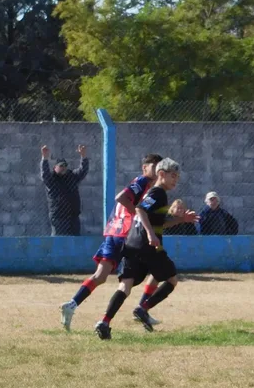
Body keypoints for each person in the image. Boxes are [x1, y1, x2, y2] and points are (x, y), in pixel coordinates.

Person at [94, 158, 198, 338]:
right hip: (147, 245)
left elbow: (157, 222)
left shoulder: (156, 194)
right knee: (172, 280)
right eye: (173, 176)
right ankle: (143, 309)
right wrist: (150, 234)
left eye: (177, 177)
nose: (175, 180)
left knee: (124, 286)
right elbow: (141, 210)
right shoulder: (158, 192)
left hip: (132, 244)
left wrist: (181, 220)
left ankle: (104, 322)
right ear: (161, 174)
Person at [58, 153, 163, 332]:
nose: (158, 169)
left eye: (159, 166)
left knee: (100, 276)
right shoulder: (142, 182)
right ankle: (141, 310)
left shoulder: (146, 185)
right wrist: (137, 213)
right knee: (156, 269)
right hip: (126, 236)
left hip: (113, 233)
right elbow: (121, 197)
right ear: (144, 167)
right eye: (154, 166)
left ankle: (72, 304)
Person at [41, 144, 89, 236]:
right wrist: (44, 158)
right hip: (58, 218)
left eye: (65, 165)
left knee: (74, 242)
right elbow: (44, 174)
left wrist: (83, 156)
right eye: (61, 166)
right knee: (58, 241)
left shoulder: (72, 176)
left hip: (73, 217)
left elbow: (83, 170)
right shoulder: (52, 179)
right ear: (55, 168)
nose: (63, 167)